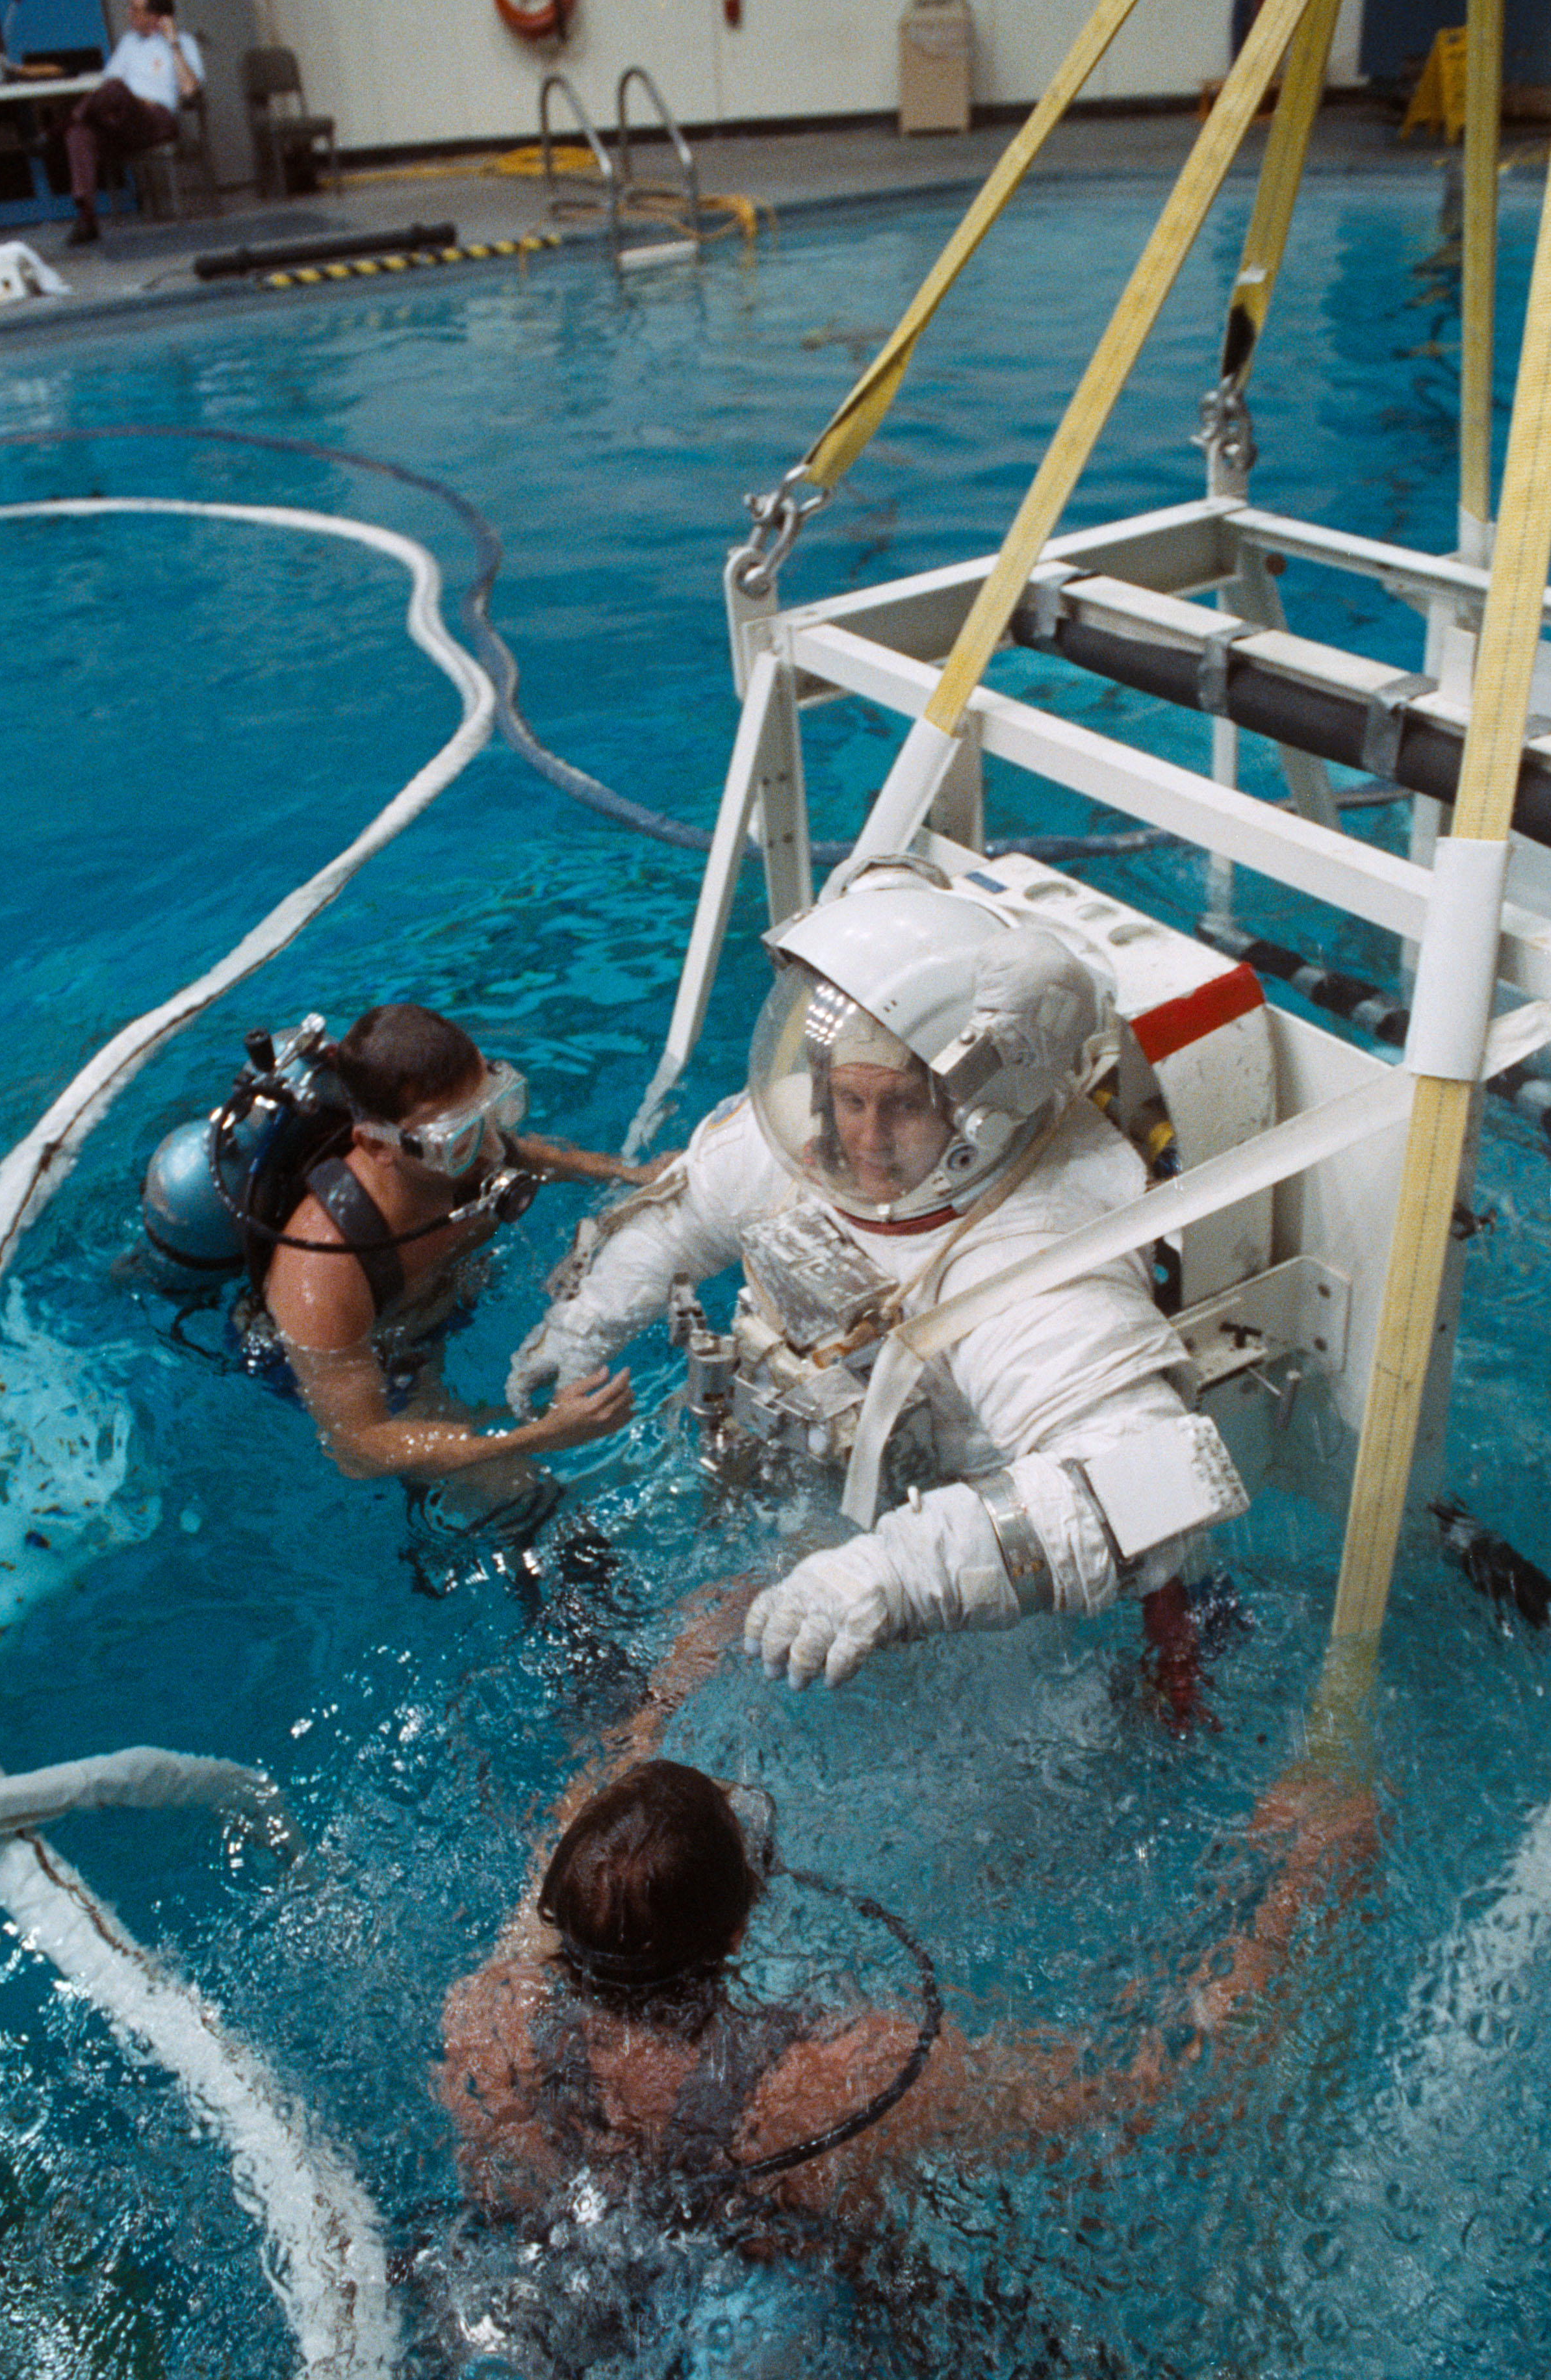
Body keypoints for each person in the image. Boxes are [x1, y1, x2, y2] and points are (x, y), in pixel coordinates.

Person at [508, 866, 1248, 1696]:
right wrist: (582, 1332)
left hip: (961, 1548)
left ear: (977, 1114)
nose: (865, 1139)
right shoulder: (800, 1138)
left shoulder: (1026, 1247)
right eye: (848, 1099)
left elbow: (1149, 1489)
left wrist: (893, 1578)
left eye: (900, 1106)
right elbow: (679, 1222)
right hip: (811, 1463)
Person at [438, 1589, 1376, 2236]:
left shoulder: (486, 2016)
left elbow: (582, 1834)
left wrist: (667, 1686)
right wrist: (1297, 1878)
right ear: (736, 1933)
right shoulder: (835, 2076)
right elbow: (1157, 2096)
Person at [263, 1003, 649, 1494]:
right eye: (458, 1136)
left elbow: (528, 1152)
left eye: (494, 1105)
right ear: (380, 1147)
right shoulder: (325, 1277)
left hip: (438, 1295)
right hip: (380, 1352)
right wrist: (540, 1437)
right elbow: (359, 1449)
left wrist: (628, 1172)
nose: (490, 1147)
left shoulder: (455, 1153)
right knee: (517, 1494)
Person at [64, 0, 204, 248]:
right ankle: (87, 219)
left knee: (116, 92)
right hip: (123, 120)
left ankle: (61, 124)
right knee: (79, 134)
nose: (129, 14)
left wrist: (172, 43)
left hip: (157, 121)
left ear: (157, 17)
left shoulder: (184, 44)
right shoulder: (129, 43)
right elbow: (107, 87)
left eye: (135, 9)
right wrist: (128, 100)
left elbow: (190, 91)